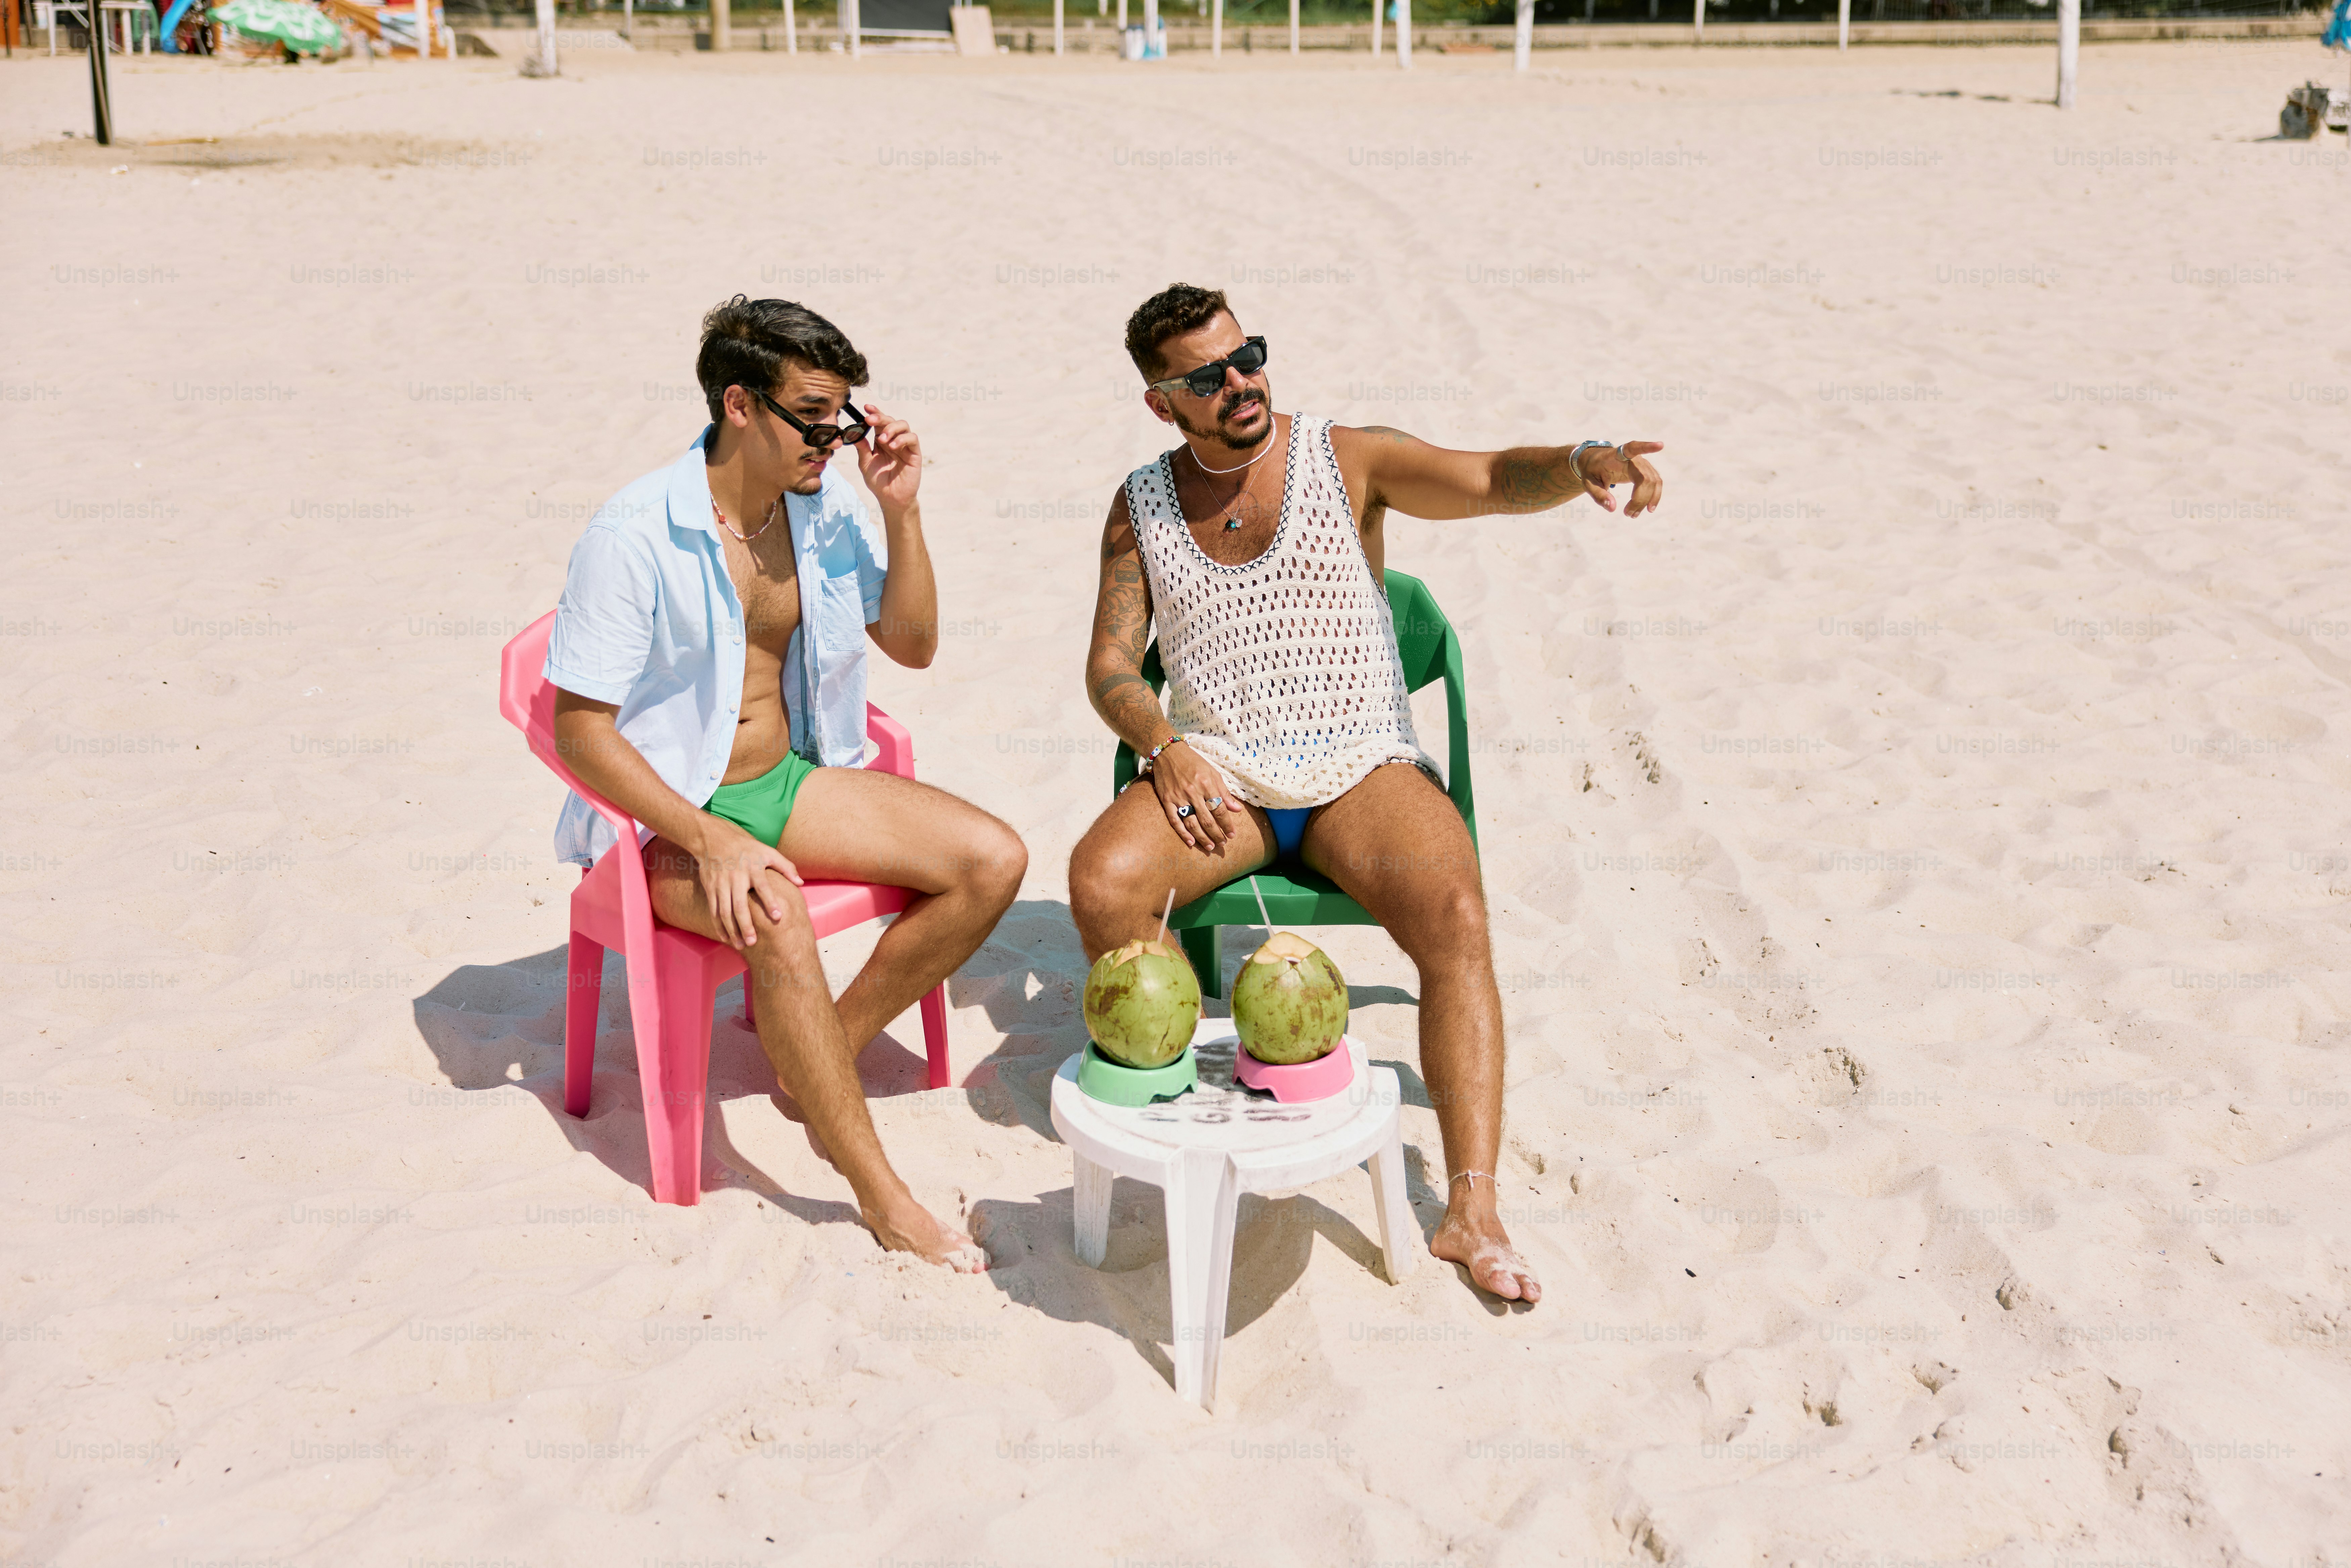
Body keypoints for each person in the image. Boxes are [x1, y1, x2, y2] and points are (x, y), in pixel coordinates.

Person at [1069, 283, 1666, 1305]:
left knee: (1456, 911)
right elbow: (1112, 668)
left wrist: (1578, 467)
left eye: (1248, 354)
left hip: (1360, 767)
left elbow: (1483, 476)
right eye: (1207, 378)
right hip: (1226, 773)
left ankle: (1472, 1205)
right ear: (1161, 402)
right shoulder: (1142, 504)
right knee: (1102, 880)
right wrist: (1163, 745)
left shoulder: (1345, 458)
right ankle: (1205, 1116)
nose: (1241, 383)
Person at [545, 296, 1026, 1273]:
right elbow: (579, 732)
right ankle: (884, 1197)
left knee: (994, 859)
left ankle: (819, 1062)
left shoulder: (822, 509)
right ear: (739, 406)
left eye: (845, 414)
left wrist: (902, 507)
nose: (836, 438)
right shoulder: (634, 533)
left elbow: (916, 645)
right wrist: (711, 837)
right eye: (815, 416)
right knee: (778, 913)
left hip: (785, 778)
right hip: (662, 820)